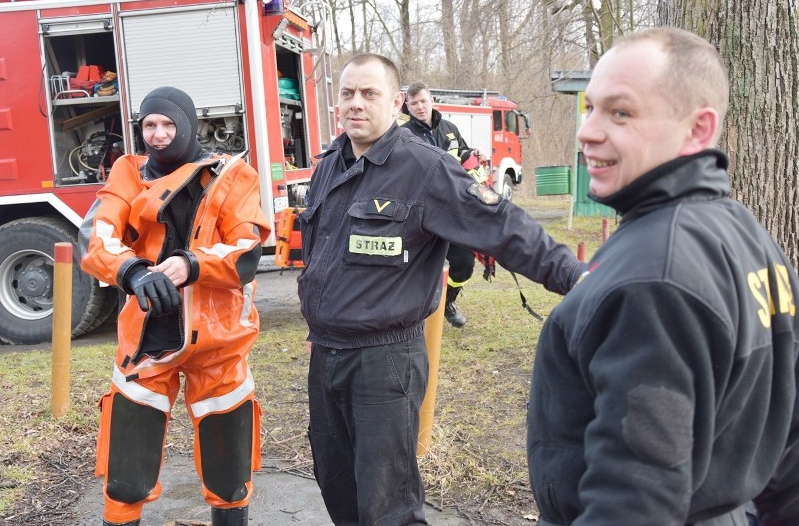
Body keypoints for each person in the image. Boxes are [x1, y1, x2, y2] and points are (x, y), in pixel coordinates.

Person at [526, 27, 799, 525]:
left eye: (621, 112)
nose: (588, 131)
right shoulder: (748, 236)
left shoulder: (652, 278)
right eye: (590, 108)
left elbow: (634, 502)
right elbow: (797, 457)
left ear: (699, 129)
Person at [297, 53, 586, 526]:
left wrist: (577, 279)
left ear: (396, 104)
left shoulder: (425, 168)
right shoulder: (331, 162)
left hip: (384, 359)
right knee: (338, 488)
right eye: (347, 94)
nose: (356, 104)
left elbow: (504, 228)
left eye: (369, 94)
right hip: (327, 354)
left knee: (388, 505)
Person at [78, 86, 270, 526]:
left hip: (219, 341)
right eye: (150, 125)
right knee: (126, 470)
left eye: (168, 124)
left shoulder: (231, 177)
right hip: (147, 337)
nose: (159, 134)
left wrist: (189, 264)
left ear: (188, 125)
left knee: (229, 472)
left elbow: (247, 251)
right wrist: (134, 272)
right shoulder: (127, 172)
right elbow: (98, 239)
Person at [401, 82, 478, 327]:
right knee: (414, 266)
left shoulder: (450, 129)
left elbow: (464, 157)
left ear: (431, 100)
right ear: (407, 106)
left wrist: (475, 156)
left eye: (423, 101)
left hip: (452, 210)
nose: (420, 107)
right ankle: (412, 314)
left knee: (464, 264)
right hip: (420, 215)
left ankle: (448, 302)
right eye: (414, 103)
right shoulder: (403, 136)